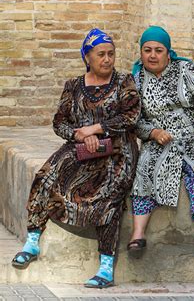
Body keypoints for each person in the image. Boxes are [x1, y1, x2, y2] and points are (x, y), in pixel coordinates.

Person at [11, 28, 141, 287]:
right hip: (82, 147)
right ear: (87, 57)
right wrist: (80, 135)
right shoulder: (73, 86)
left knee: (110, 192)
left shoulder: (124, 81)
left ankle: (105, 266)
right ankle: (33, 239)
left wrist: (97, 129)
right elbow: (59, 123)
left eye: (111, 54)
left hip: (117, 151)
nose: (107, 59)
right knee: (47, 174)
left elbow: (131, 116)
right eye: (101, 54)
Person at [127, 26, 194, 256]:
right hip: (160, 139)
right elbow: (134, 119)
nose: (152, 55)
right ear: (141, 53)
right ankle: (138, 234)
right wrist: (152, 133)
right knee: (145, 168)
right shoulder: (136, 80)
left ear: (168, 52)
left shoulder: (184, 68)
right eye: (147, 50)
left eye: (158, 50)